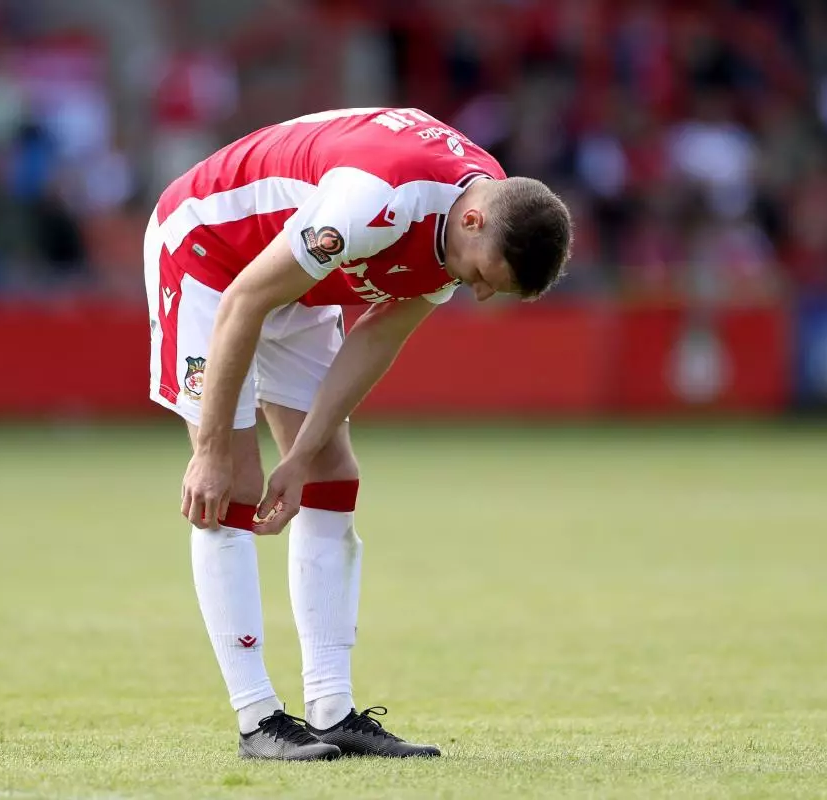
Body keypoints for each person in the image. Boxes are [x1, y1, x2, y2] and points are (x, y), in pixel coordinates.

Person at [143, 107, 572, 760]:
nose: (479, 295)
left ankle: (331, 710)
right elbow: (244, 302)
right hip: (209, 257)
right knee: (230, 480)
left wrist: (303, 453)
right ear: (474, 221)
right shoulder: (375, 202)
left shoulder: (470, 220)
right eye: (485, 277)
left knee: (331, 475)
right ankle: (259, 719)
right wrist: (207, 451)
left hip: (297, 282)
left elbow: (377, 337)